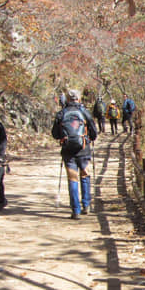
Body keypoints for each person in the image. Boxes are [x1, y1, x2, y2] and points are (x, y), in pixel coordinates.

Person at [51, 89, 98, 219]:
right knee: (85, 176)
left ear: (67, 98)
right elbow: (94, 133)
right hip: (83, 150)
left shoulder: (61, 113)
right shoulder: (84, 112)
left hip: (68, 152)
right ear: (79, 98)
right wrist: (88, 138)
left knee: (72, 179)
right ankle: (86, 205)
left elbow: (55, 134)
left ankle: (75, 210)